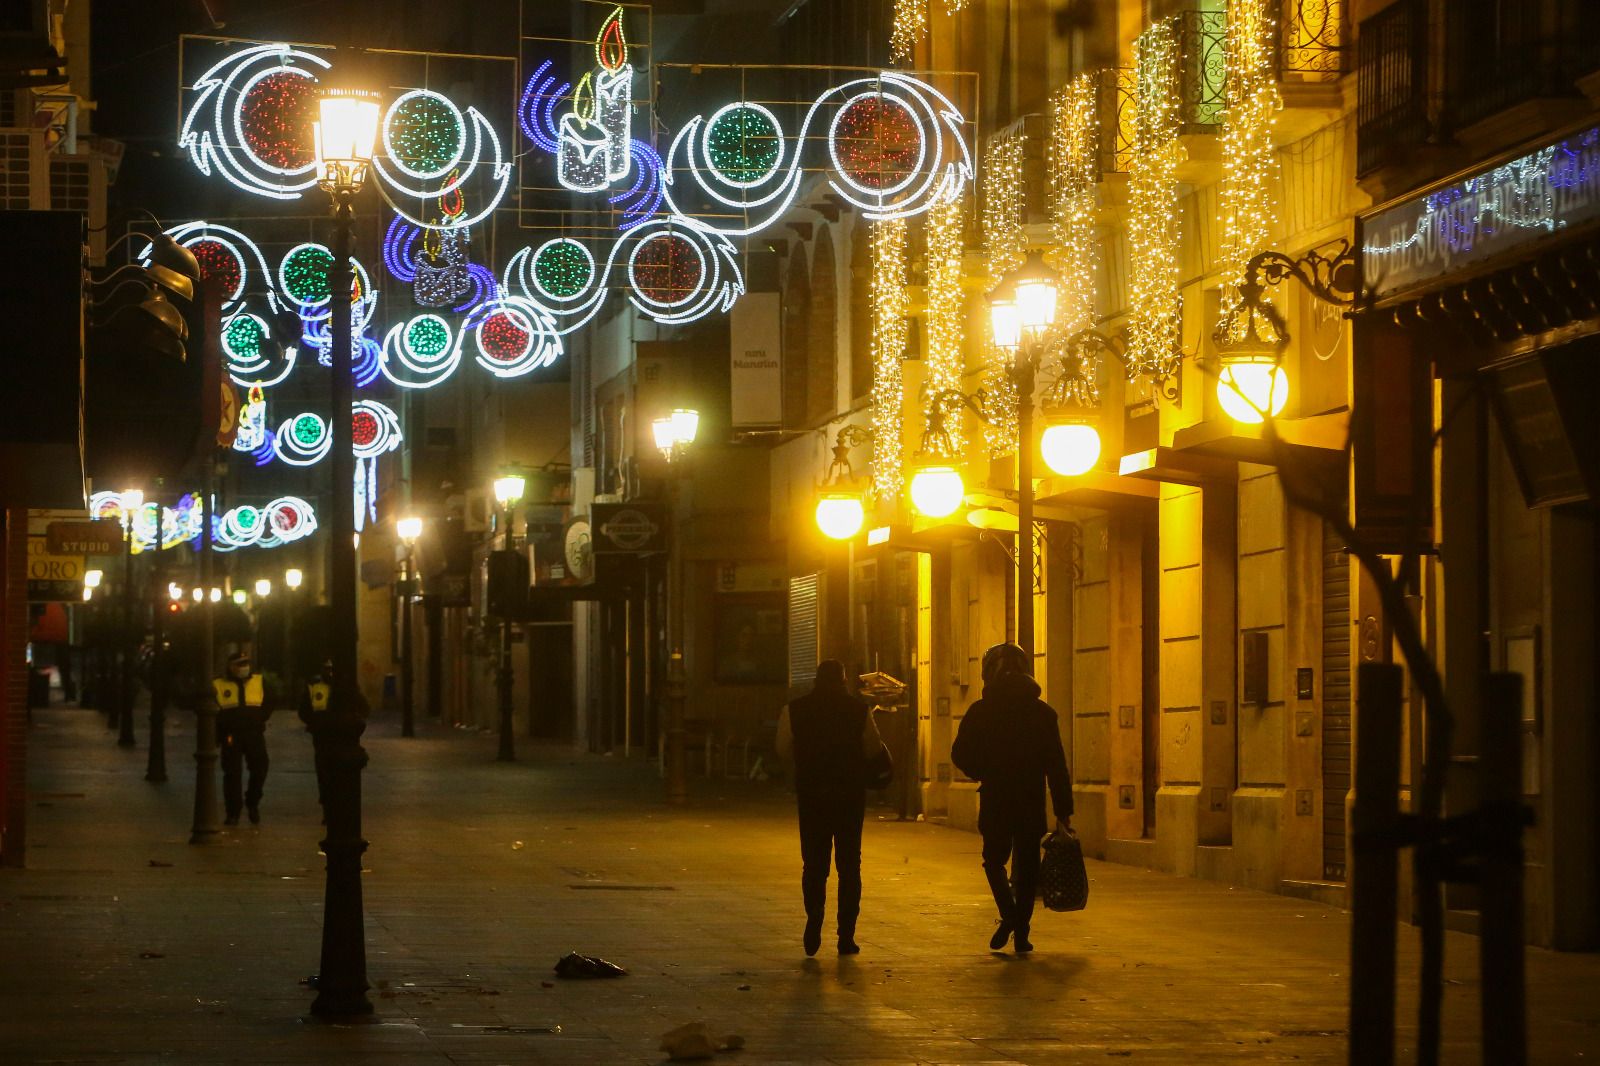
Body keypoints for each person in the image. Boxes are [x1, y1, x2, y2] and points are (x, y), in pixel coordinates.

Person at [951, 642, 1072, 954]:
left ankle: (1010, 916)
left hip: (996, 798)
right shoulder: (1043, 713)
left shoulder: (982, 711)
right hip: (1031, 799)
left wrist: (983, 772)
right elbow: (1056, 764)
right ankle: (1022, 931)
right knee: (1028, 869)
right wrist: (1063, 808)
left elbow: (959, 753)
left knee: (993, 861)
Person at [775, 660, 883, 957]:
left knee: (814, 864)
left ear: (816, 680)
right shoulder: (858, 710)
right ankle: (846, 936)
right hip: (849, 796)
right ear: (844, 680)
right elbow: (872, 748)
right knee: (849, 866)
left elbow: (782, 747)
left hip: (812, 796)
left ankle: (814, 913)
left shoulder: (794, 709)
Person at [213, 652, 272, 826]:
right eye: (239, 664)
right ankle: (233, 812)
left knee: (260, 768)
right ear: (230, 667)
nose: (243, 667)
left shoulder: (259, 682)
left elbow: (270, 701)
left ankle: (252, 802)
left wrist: (260, 718)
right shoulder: (218, 684)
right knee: (232, 774)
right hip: (231, 735)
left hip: (254, 733)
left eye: (246, 663)